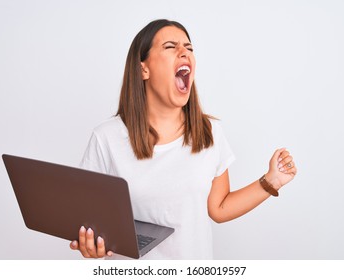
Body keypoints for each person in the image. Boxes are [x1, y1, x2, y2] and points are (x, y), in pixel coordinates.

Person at [69, 19, 297, 259]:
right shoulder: (107, 137)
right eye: (170, 47)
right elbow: (87, 221)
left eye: (189, 48)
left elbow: (219, 208)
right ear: (143, 69)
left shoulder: (209, 133)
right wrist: (91, 244)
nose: (184, 52)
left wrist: (271, 181)